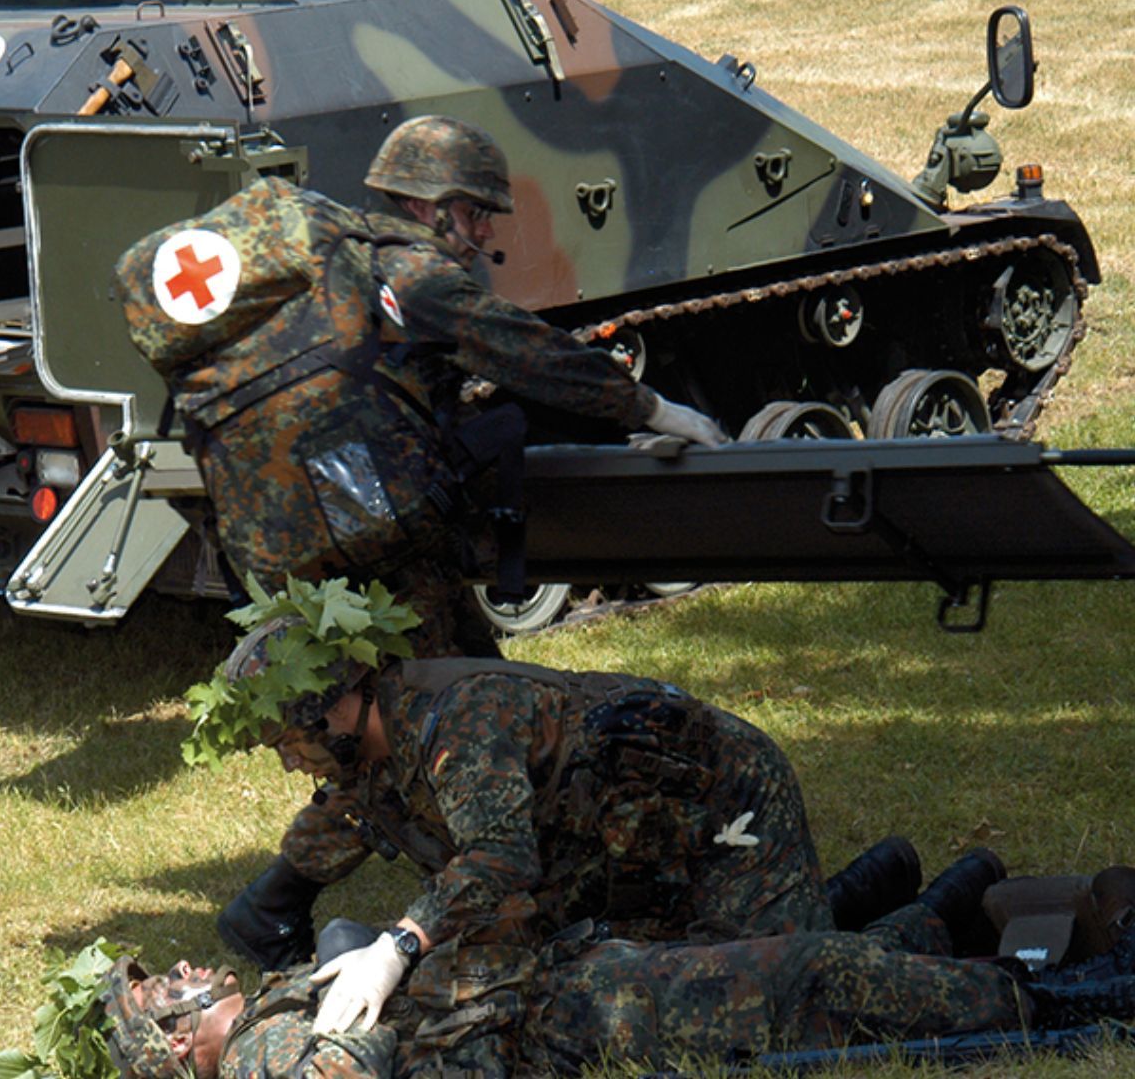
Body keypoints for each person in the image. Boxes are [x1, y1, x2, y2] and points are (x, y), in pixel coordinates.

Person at [117, 115, 726, 660]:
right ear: (426, 207)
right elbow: (532, 353)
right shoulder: (412, 275)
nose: (484, 233)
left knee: (359, 701)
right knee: (450, 694)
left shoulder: (325, 273)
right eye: (474, 212)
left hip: (275, 541)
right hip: (379, 534)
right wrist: (653, 409)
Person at [196, 578, 928, 1017]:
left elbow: (501, 858)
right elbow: (341, 822)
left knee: (787, 983)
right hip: (629, 842)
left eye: (292, 743)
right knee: (680, 970)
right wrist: (272, 904)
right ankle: (881, 877)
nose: (293, 764)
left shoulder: (460, 723)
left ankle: (943, 916)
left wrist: (398, 945)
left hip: (721, 805)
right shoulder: (369, 754)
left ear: (337, 710)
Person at [97, 871, 1135, 1078]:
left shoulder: (268, 1003)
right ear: (180, 1043)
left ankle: (977, 926)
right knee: (816, 971)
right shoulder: (264, 1062)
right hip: (579, 1020)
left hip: (574, 980)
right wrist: (344, 1023)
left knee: (821, 972)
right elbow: (354, 1068)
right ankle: (1084, 1000)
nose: (182, 967)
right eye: (163, 991)